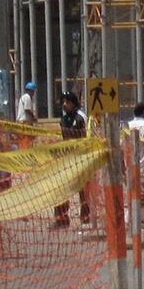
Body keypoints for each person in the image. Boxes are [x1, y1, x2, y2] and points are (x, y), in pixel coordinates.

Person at [55, 92, 92, 227]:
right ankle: (62, 218)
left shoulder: (80, 118)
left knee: (84, 190)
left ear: (74, 103)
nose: (64, 105)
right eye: (63, 102)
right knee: (61, 188)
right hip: (67, 159)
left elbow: (85, 136)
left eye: (68, 102)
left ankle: (86, 217)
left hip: (81, 158)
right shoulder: (64, 119)